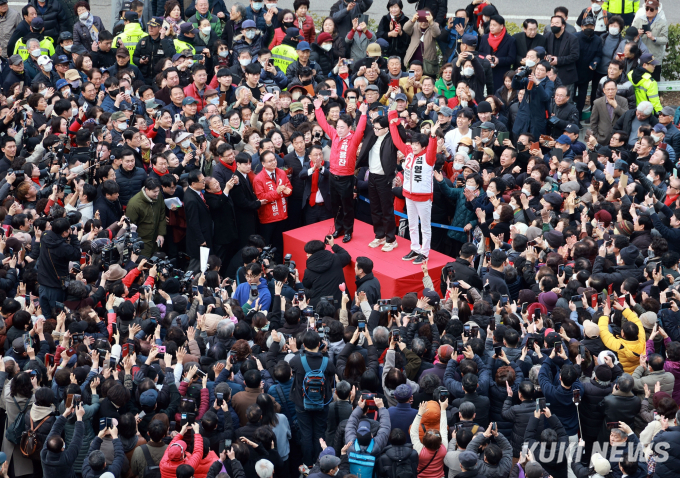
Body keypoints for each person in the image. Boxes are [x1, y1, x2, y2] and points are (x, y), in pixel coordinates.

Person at [314, 97, 368, 243]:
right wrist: (318, 109)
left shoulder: (354, 138)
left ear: (349, 128)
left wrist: (363, 114)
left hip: (346, 178)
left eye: (342, 127)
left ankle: (348, 231)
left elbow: (362, 128)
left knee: (347, 207)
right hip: (333, 176)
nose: (338, 129)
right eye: (337, 126)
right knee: (335, 205)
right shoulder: (334, 135)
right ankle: (339, 228)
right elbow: (324, 124)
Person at [183, 170, 214, 273]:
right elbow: (193, 222)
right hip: (198, 240)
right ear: (193, 184)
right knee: (196, 266)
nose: (204, 183)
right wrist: (201, 240)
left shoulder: (196, 192)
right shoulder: (191, 199)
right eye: (202, 181)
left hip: (205, 233)